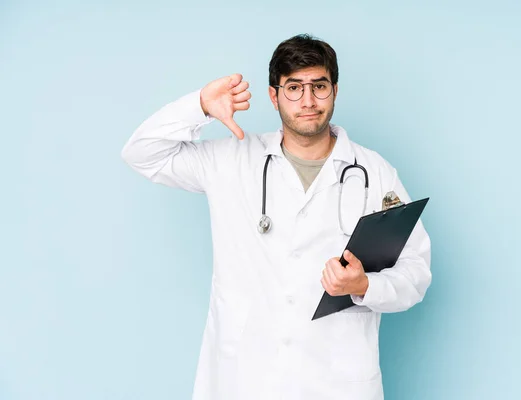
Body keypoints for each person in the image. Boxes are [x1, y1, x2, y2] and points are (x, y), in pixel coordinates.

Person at [121, 34, 432, 400]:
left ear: (334, 90)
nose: (308, 101)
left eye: (319, 86)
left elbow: (416, 273)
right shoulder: (233, 159)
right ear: (274, 95)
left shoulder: (373, 171)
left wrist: (364, 287)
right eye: (294, 88)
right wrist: (200, 106)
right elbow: (142, 154)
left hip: (336, 381)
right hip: (247, 377)